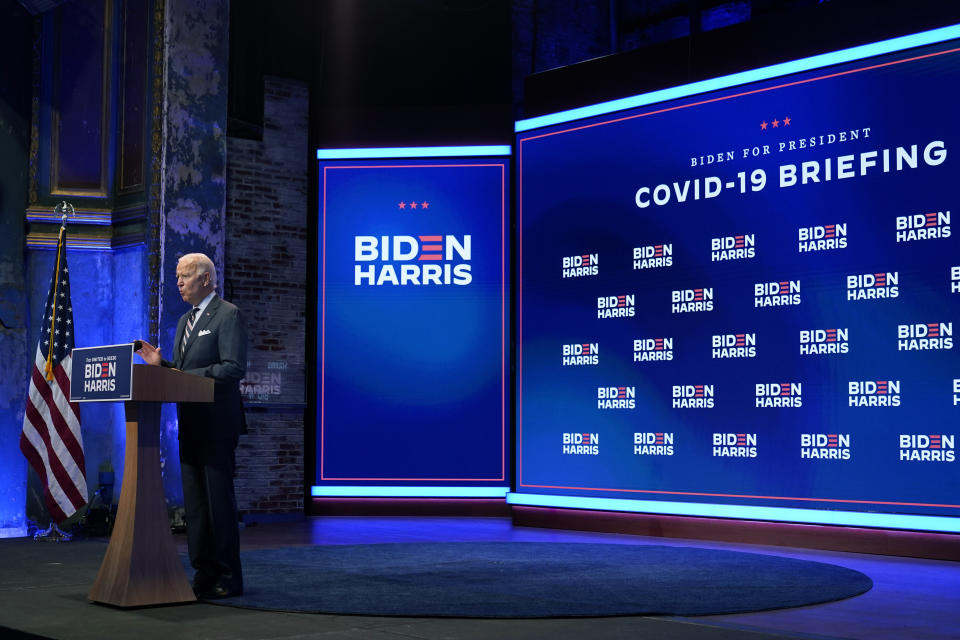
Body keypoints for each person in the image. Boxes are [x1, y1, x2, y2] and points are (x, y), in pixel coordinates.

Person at [136, 252, 247, 599]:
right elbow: (183, 373)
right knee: (196, 505)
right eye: (177, 276)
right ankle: (203, 572)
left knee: (218, 503)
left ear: (206, 279)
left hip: (217, 424)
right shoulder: (185, 321)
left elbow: (232, 368)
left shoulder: (228, 314)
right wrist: (161, 365)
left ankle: (228, 576)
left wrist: (182, 375)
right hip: (190, 422)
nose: (179, 282)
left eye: (185, 276)